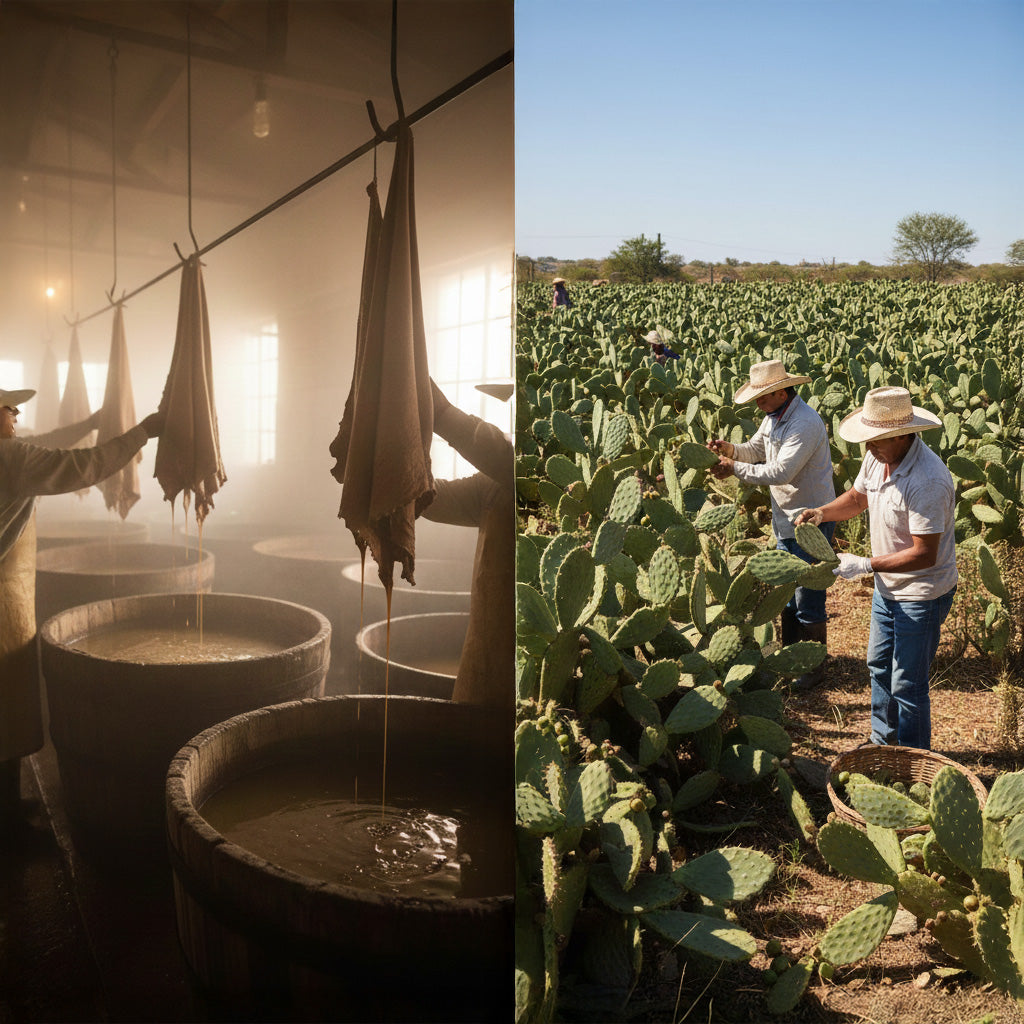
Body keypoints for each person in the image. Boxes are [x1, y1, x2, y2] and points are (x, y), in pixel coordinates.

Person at [0, 387, 164, 825]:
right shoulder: (10, 459)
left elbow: (51, 441)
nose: (16, 411)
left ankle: (8, 804)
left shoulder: (12, 453)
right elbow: (82, 467)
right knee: (4, 706)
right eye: (7, 406)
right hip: (1, 601)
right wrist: (142, 433)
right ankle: (6, 818)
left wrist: (92, 423)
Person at [795, 386, 957, 750]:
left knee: (908, 683)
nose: (868, 447)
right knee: (878, 665)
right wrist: (822, 512)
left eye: (876, 440)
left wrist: (865, 565)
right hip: (888, 589)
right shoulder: (878, 456)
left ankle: (913, 760)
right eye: (867, 439)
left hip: (922, 594)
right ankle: (881, 744)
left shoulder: (928, 480)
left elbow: (924, 555)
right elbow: (857, 499)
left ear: (902, 435)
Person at [706, 359, 836, 688]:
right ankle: (792, 658)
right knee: (787, 596)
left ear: (782, 391)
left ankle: (813, 668)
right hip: (785, 520)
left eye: (763, 396)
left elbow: (780, 472)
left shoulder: (804, 423)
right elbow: (756, 450)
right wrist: (731, 450)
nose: (758, 403)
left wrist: (733, 469)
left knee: (808, 596)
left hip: (811, 522)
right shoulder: (773, 417)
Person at [423, 379, 514, 710]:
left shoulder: (548, 474)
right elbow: (435, 499)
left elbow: (505, 458)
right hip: (486, 661)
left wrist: (443, 413)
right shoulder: (495, 486)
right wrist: (391, 470)